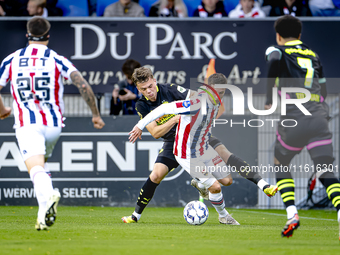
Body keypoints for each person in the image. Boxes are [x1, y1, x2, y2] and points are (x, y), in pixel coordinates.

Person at [121, 67, 278, 224]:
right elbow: (155, 133)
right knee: (155, 175)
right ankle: (136, 216)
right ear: (138, 89)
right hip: (174, 142)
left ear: (154, 81)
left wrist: (192, 108)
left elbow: (196, 96)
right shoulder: (141, 105)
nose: (149, 91)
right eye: (144, 89)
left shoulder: (170, 90)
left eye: (150, 86)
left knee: (227, 175)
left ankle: (260, 184)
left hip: (198, 135)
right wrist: (175, 119)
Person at [0, 17, 105, 231]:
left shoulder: (12, 60)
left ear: (27, 34)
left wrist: (3, 110)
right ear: (48, 36)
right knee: (41, 167)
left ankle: (49, 196)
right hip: (54, 125)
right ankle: (42, 216)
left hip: (28, 123)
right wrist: (95, 114)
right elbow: (82, 83)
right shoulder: (57, 59)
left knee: (34, 168)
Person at [265, 15, 340, 239]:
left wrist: (269, 97)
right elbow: (324, 91)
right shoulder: (314, 56)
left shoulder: (277, 50)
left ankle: (292, 213)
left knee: (280, 161)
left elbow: (273, 61)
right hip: (318, 117)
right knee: (326, 169)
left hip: (295, 117)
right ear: (300, 35)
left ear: (279, 36)